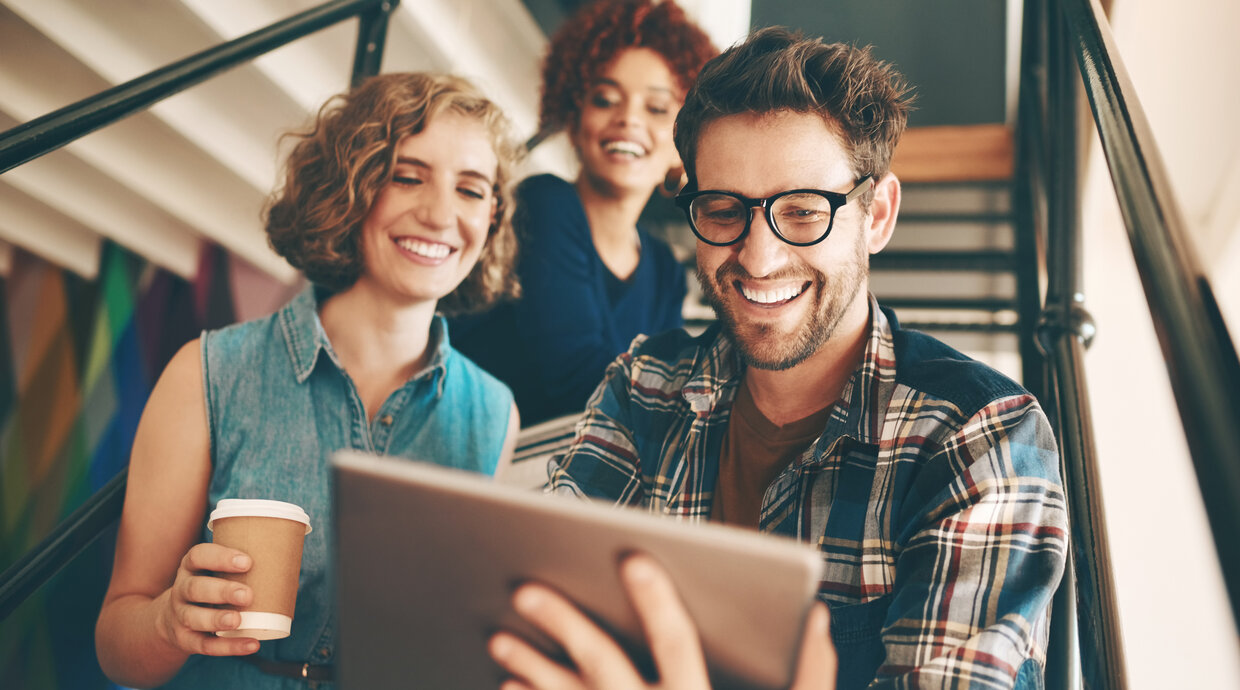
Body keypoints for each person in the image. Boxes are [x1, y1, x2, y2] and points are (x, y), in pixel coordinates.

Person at [487, 28, 1068, 690]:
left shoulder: (977, 438)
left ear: (877, 215)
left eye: (801, 212)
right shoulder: (643, 385)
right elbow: (538, 633)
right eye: (724, 209)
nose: (759, 258)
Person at [95, 72, 523, 689]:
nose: (439, 214)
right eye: (407, 176)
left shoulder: (494, 415)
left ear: (491, 217)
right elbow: (118, 641)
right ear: (350, 187)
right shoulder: (211, 372)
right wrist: (167, 621)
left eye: (472, 190)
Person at [450, 0, 716, 427]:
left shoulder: (665, 267)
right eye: (605, 98)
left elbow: (668, 388)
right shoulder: (544, 205)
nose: (627, 119)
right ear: (573, 120)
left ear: (684, 142)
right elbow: (580, 389)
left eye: (657, 108)